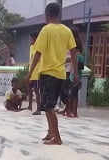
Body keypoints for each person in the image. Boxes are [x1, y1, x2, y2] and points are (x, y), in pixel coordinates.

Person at [25, 3, 78, 145]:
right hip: (61, 73)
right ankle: (50, 132)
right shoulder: (67, 31)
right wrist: (76, 73)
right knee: (49, 104)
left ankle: (57, 137)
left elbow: (38, 53)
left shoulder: (46, 30)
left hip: (48, 73)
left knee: (48, 107)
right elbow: (73, 52)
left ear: (47, 14)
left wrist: (29, 73)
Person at [63, 28, 85, 118]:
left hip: (75, 76)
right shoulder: (75, 58)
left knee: (74, 94)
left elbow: (80, 68)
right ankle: (70, 110)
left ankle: (74, 112)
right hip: (72, 75)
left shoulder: (78, 57)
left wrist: (76, 76)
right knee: (70, 93)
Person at [27, 31, 42, 115]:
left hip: (37, 71)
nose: (29, 40)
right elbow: (30, 60)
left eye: (30, 39)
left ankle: (38, 108)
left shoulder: (38, 47)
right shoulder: (31, 47)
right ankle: (30, 105)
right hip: (31, 71)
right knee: (29, 89)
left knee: (36, 90)